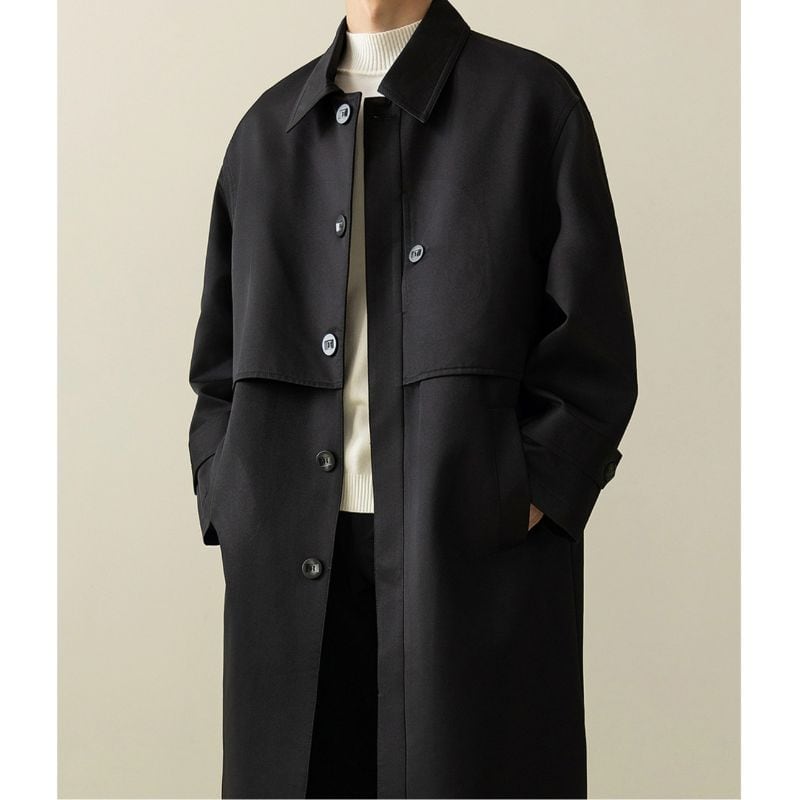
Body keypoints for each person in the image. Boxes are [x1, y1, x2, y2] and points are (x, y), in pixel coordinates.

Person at [187, 0, 638, 797]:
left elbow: (592, 348)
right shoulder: (265, 133)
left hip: (464, 553)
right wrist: (229, 495)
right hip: (290, 561)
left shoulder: (530, 104)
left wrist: (526, 488)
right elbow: (219, 368)